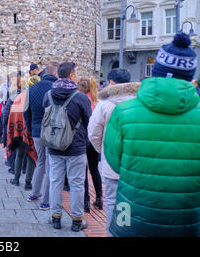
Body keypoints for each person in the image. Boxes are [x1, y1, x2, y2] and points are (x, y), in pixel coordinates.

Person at [104, 33, 199, 237]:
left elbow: (113, 161)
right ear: (191, 77)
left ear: (156, 71)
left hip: (129, 212)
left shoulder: (123, 111)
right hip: (186, 218)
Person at [87, 68, 139, 236]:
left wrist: (102, 150)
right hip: (133, 161)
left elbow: (94, 133)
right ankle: (124, 230)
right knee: (127, 201)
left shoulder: (104, 104)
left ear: (110, 82)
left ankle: (111, 233)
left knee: (110, 200)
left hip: (111, 160)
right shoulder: (139, 103)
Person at [44, 62, 92, 232]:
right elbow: (89, 122)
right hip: (76, 147)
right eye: (76, 73)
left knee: (55, 181)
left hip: (53, 145)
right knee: (77, 183)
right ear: (71, 75)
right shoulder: (80, 97)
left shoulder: (49, 94)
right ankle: (77, 220)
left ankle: (55, 218)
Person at [24, 62, 59, 210]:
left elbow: (26, 111)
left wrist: (31, 129)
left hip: (36, 130)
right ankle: (45, 201)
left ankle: (34, 193)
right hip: (52, 131)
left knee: (40, 162)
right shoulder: (57, 88)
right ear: (55, 74)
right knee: (51, 165)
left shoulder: (32, 88)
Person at [78, 76, 103, 213]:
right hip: (94, 139)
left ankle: (86, 201)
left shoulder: (79, 100)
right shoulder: (97, 101)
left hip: (82, 139)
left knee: (83, 171)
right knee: (94, 169)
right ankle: (99, 198)